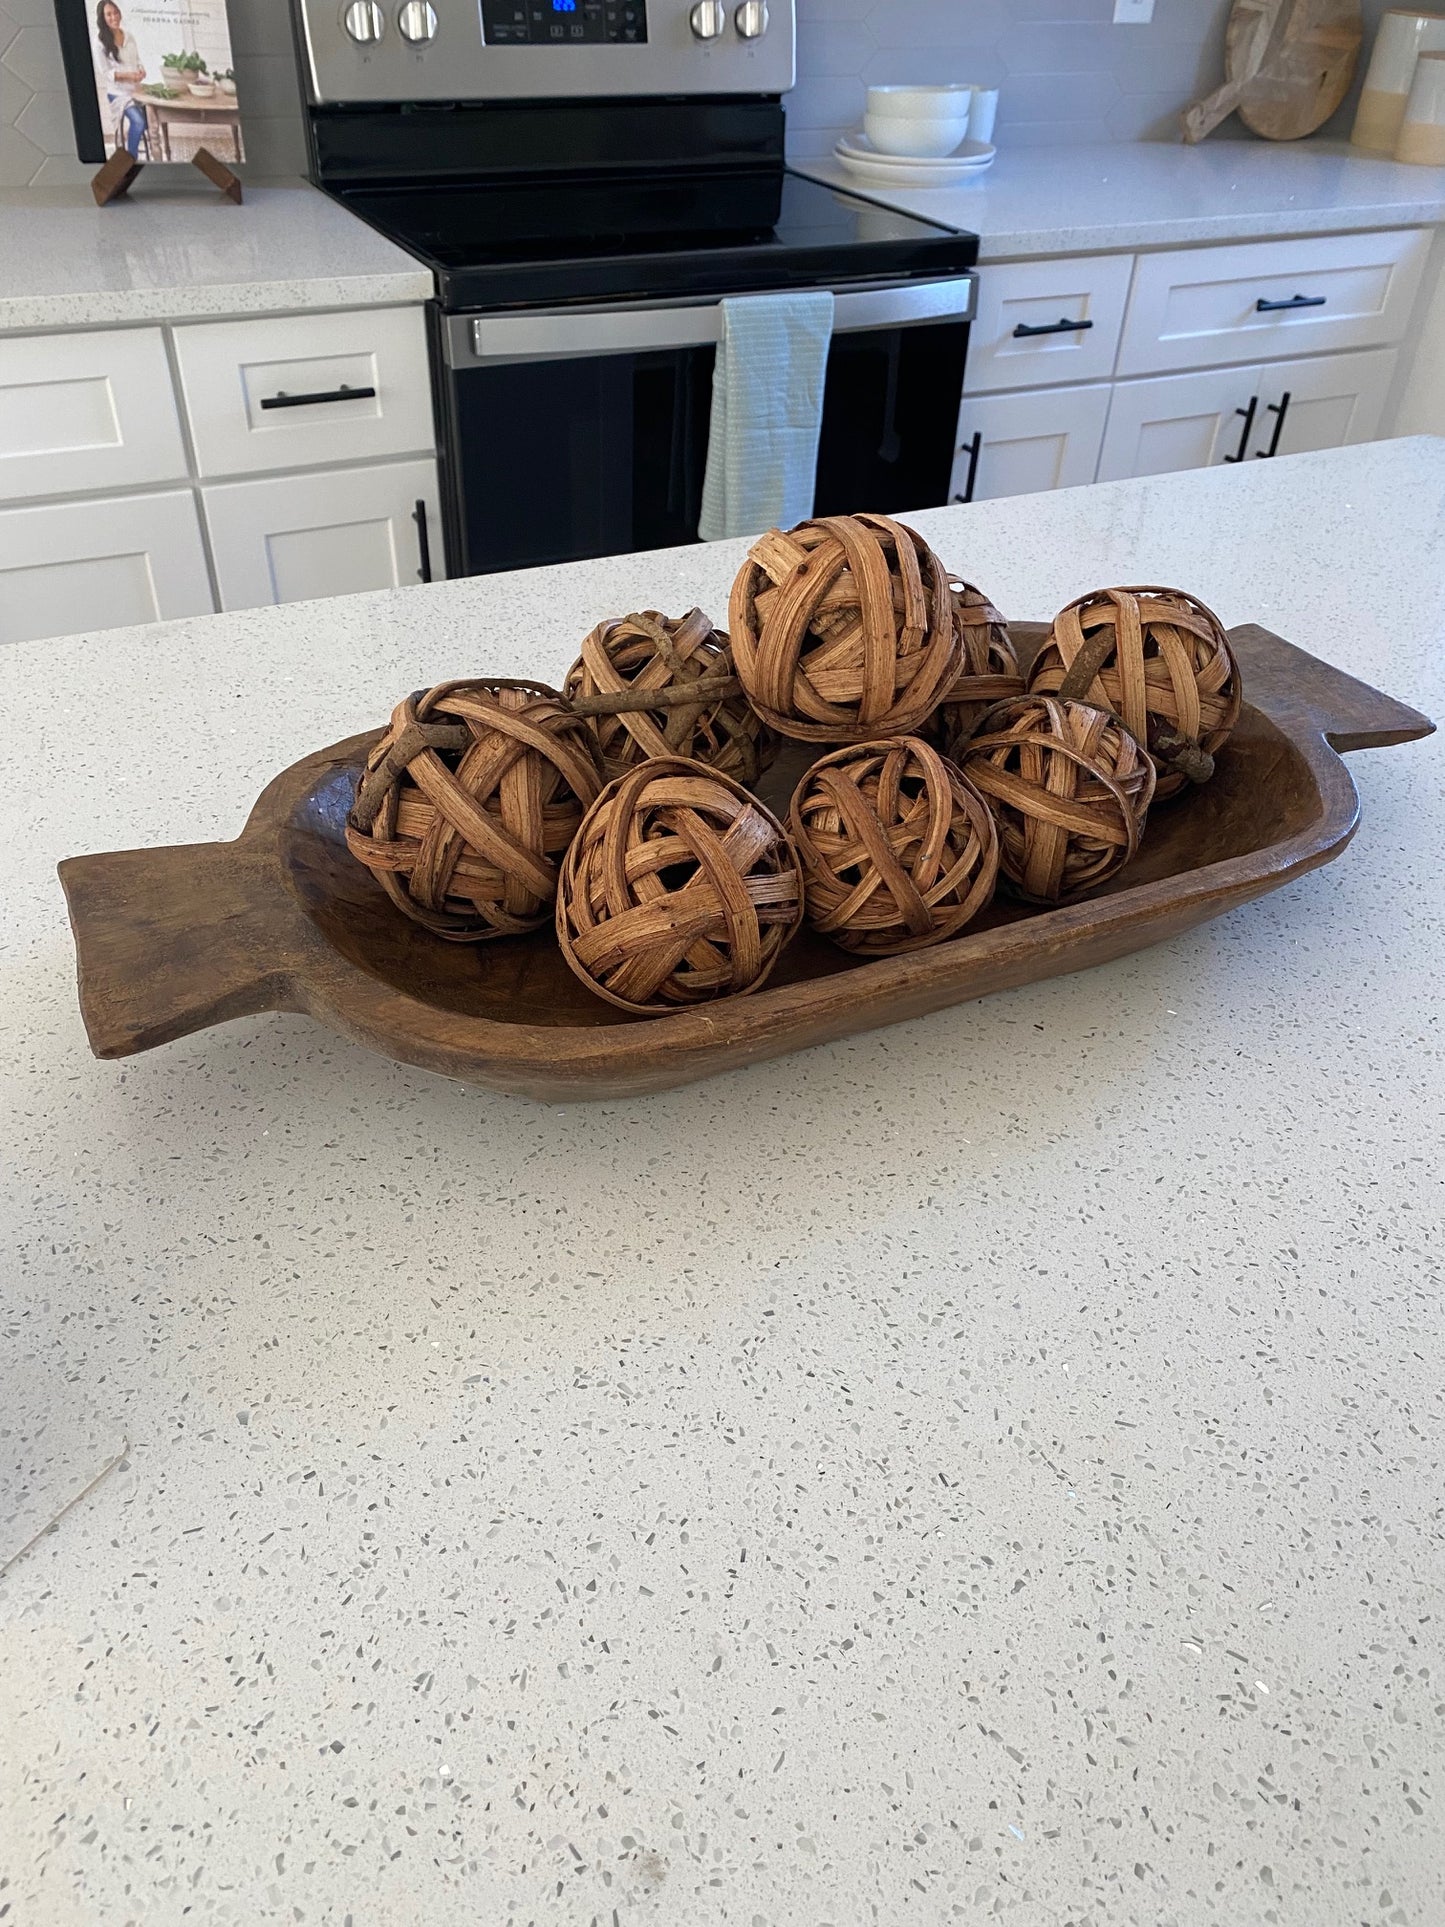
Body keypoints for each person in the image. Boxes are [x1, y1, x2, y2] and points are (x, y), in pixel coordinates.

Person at [93, 1, 147, 158]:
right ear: (103, 18)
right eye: (109, 14)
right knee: (139, 122)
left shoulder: (129, 36)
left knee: (151, 118)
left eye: (115, 13)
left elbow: (137, 59)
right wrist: (128, 76)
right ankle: (131, 158)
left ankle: (137, 149)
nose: (114, 17)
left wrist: (141, 70)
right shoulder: (100, 42)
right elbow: (106, 72)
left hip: (136, 89)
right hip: (118, 93)